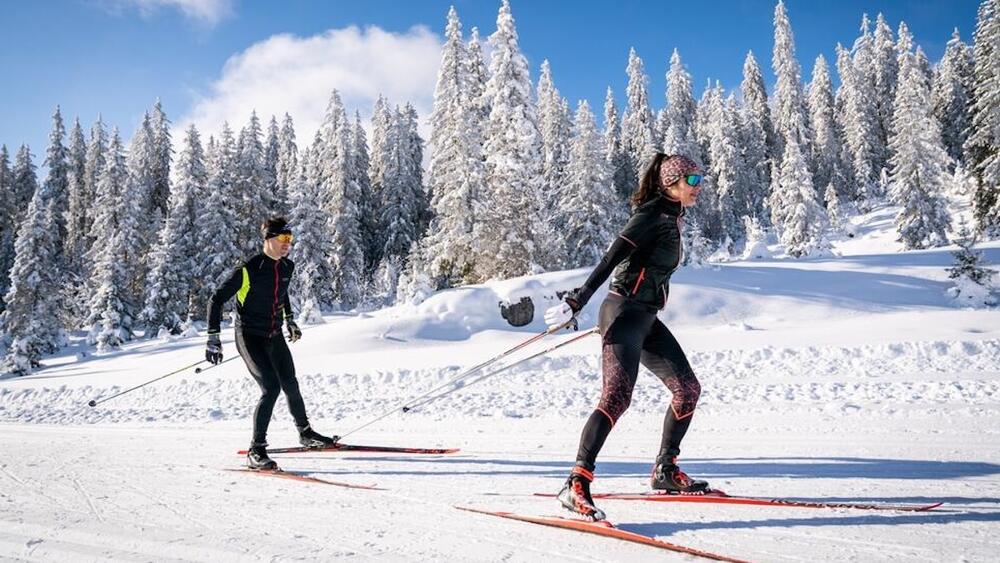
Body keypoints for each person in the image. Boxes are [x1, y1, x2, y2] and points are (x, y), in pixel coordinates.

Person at [544, 153, 707, 521]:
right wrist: (578, 300)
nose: (699, 188)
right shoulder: (650, 214)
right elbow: (611, 257)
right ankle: (576, 483)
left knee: (688, 389)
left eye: (700, 180)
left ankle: (665, 470)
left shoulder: (672, 215)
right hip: (622, 312)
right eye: (692, 181)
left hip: (646, 317)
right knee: (616, 398)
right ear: (671, 182)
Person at [206, 217, 338, 470]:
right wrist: (213, 338)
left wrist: (290, 320)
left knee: (290, 383)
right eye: (283, 239)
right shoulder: (248, 269)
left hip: (274, 335)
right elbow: (216, 299)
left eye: (290, 239)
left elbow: (282, 293)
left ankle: (306, 433)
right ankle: (256, 451)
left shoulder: (287, 267)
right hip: (249, 336)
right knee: (271, 388)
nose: (287, 244)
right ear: (268, 240)